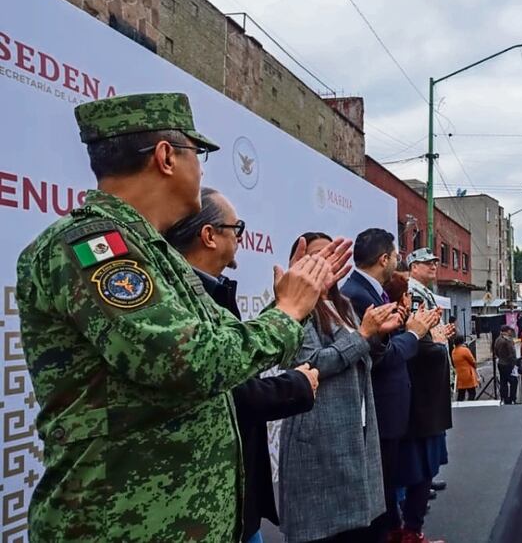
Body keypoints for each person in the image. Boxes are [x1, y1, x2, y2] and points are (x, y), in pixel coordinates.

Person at [15, 92, 338, 542]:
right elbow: (188, 361)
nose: (202, 170)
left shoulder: (152, 252)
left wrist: (290, 305)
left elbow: (220, 345)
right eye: (198, 155)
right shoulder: (93, 248)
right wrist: (287, 314)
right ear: (166, 156)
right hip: (120, 525)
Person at [164, 188, 323, 543]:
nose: (240, 238)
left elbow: (239, 354)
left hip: (231, 488)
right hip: (205, 496)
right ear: (209, 235)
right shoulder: (179, 297)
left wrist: (291, 305)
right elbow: (230, 386)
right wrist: (298, 383)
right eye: (237, 229)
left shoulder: (207, 289)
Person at [279, 232, 403, 542]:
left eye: (333, 253)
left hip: (357, 429)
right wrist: (361, 336)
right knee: (329, 529)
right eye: (317, 255)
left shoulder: (343, 303)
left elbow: (360, 360)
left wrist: (376, 336)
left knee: (364, 527)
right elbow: (310, 364)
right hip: (321, 437)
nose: (326, 261)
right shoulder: (295, 310)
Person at [340, 229, 437, 543]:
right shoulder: (357, 295)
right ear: (384, 258)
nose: (398, 263)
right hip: (378, 409)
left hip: (391, 410)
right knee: (380, 495)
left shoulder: (373, 293)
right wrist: (413, 334)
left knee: (388, 489)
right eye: (396, 256)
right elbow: (377, 356)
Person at [397, 248, 451, 543]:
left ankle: (410, 525)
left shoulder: (424, 293)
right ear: (413, 267)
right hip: (420, 390)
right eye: (428, 263)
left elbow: (427, 334)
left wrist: (441, 338)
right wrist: (438, 343)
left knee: (425, 465)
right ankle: (409, 528)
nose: (434, 266)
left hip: (429, 383)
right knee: (416, 464)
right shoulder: (413, 293)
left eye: (435, 262)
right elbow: (416, 338)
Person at [493, 325, 519, 405]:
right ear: (507, 331)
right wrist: (515, 363)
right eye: (510, 330)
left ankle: (504, 398)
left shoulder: (497, 339)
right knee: (514, 381)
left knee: (503, 382)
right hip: (508, 364)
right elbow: (512, 353)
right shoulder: (508, 340)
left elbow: (495, 351)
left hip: (500, 363)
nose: (510, 332)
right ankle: (512, 398)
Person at [452, 335, 479, 401]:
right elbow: (472, 361)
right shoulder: (465, 350)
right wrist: (475, 367)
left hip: (460, 374)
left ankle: (460, 406)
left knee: (461, 393)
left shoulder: (454, 351)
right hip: (468, 374)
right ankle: (469, 406)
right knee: (472, 392)